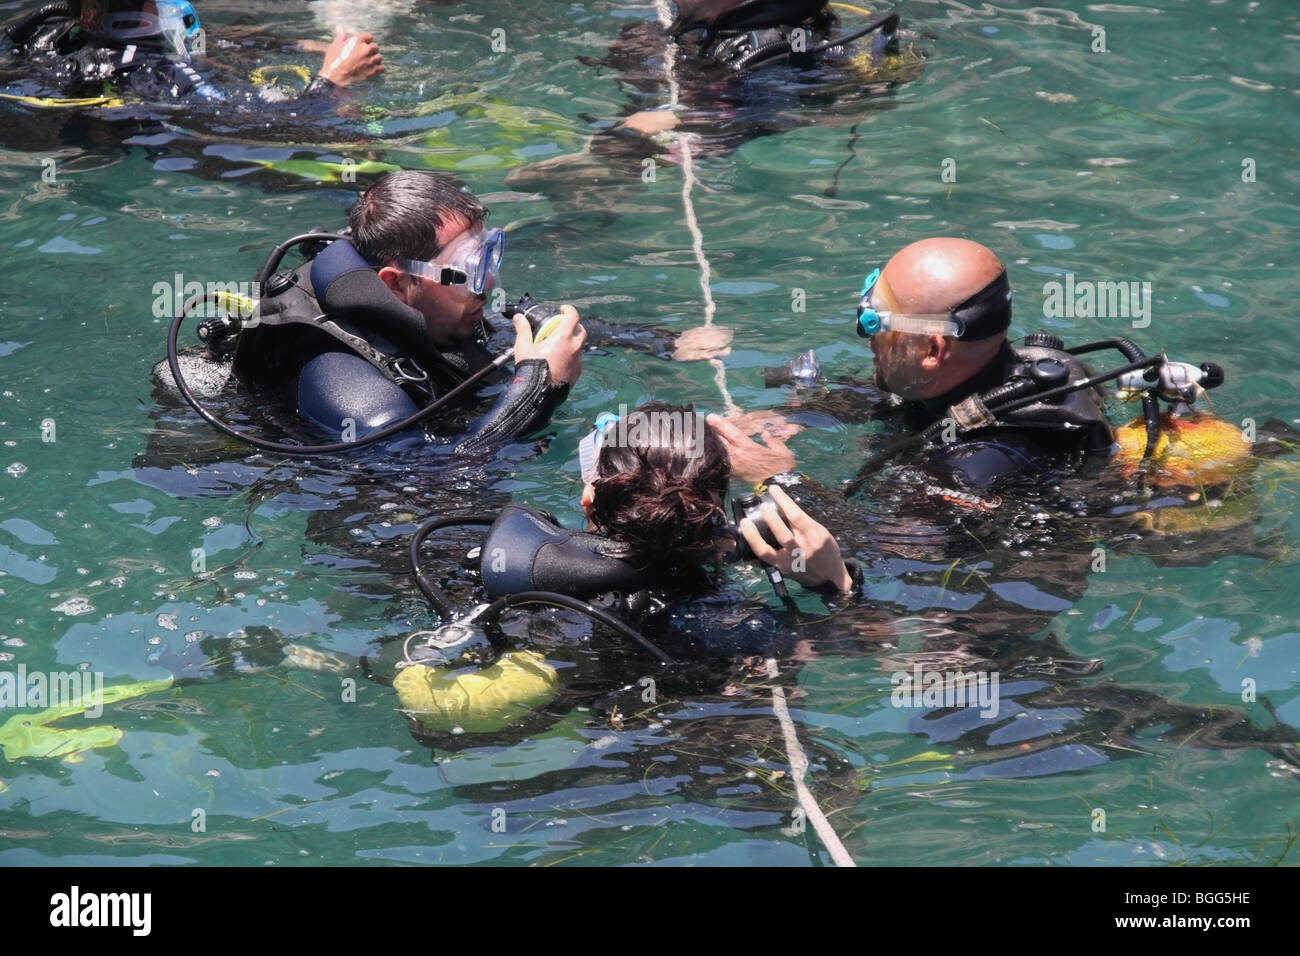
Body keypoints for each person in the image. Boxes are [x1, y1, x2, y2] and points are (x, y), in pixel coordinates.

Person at [225, 170, 586, 454]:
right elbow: (437, 484)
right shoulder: (354, 392)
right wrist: (538, 386)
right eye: (469, 268)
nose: (489, 283)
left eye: (487, 257)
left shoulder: (438, 309)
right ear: (397, 284)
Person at [3, 0, 383, 105]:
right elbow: (280, 126)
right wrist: (333, 80)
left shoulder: (58, 43)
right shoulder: (162, 72)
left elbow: (208, 37)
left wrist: (302, 46)